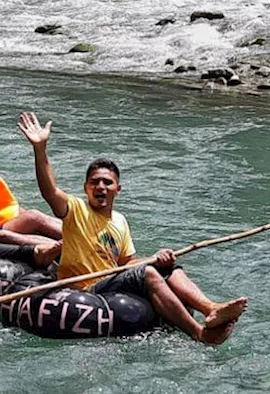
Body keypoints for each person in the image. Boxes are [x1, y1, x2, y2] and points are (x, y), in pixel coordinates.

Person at [18, 111, 247, 345]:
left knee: (171, 266)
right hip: (84, 288)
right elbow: (50, 191)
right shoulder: (76, 209)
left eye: (107, 182)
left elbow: (126, 263)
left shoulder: (120, 221)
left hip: (110, 282)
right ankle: (199, 333)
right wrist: (40, 149)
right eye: (94, 182)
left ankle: (210, 308)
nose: (101, 186)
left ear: (118, 189)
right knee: (147, 273)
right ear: (85, 188)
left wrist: (156, 258)